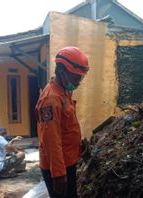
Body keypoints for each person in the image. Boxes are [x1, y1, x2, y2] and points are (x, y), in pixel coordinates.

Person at [35, 46, 89, 198]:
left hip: (68, 161)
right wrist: (58, 174)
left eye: (81, 77)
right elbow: (51, 140)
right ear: (61, 71)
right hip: (59, 167)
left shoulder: (64, 91)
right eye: (76, 77)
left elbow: (66, 127)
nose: (79, 81)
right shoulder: (51, 99)